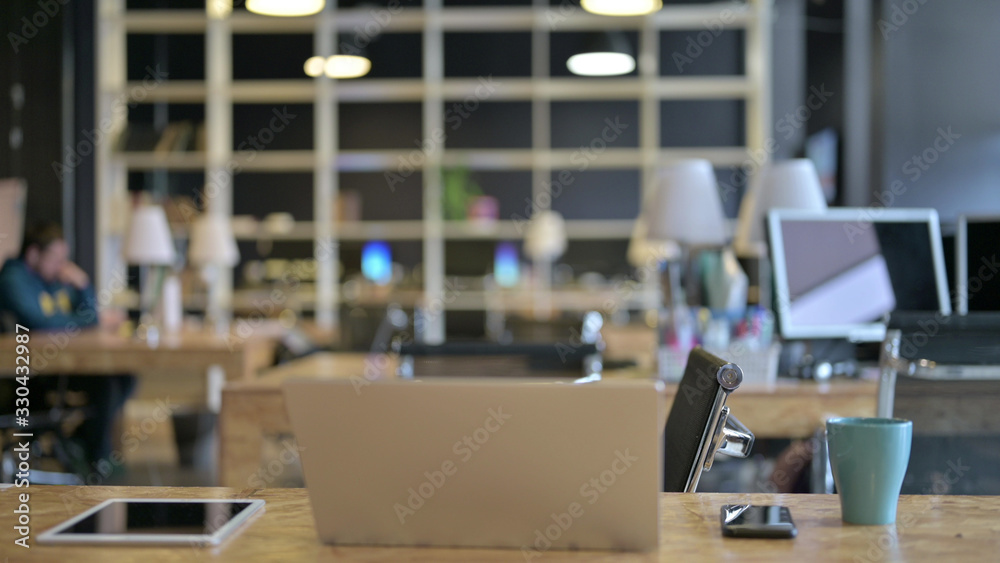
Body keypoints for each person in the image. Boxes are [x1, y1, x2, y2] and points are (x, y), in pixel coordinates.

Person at [0, 222, 134, 473]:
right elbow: (40, 322)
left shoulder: (49, 279)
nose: (61, 266)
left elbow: (88, 315)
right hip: (28, 375)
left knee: (122, 374)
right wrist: (83, 320)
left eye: (64, 258)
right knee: (106, 383)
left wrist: (82, 284)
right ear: (33, 254)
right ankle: (94, 457)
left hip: (57, 364)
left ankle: (82, 443)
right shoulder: (13, 279)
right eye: (55, 258)